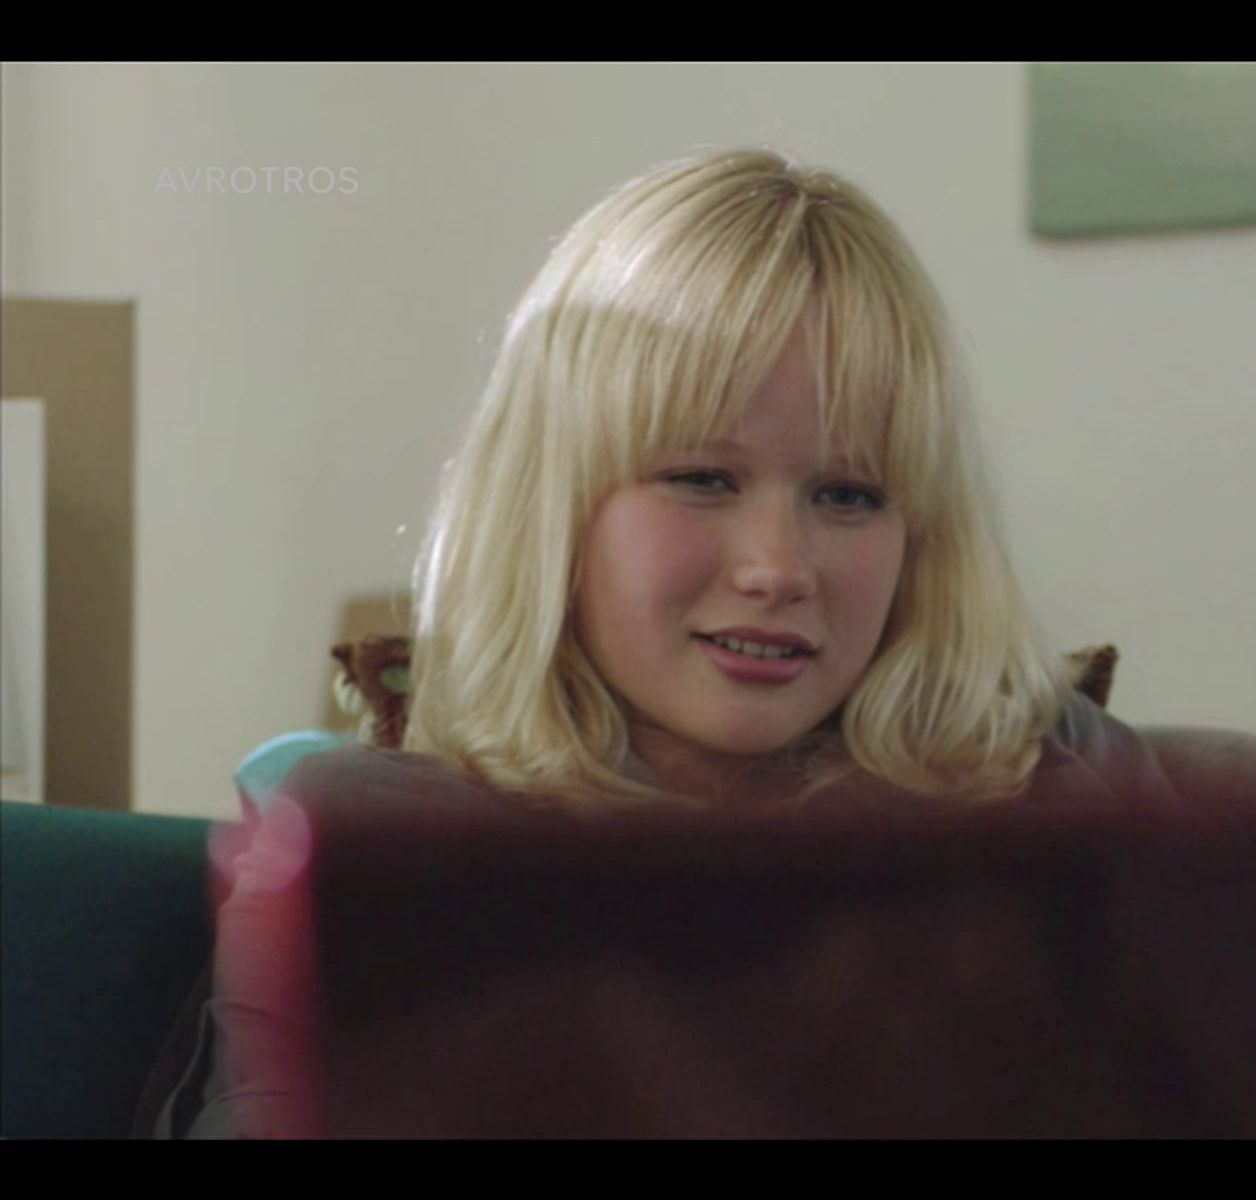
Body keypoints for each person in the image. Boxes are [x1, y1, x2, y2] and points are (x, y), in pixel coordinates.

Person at [149, 148, 1179, 1138]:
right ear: (554, 506)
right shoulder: (369, 847)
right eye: (701, 479)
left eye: (849, 495)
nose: (779, 568)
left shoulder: (1066, 782)